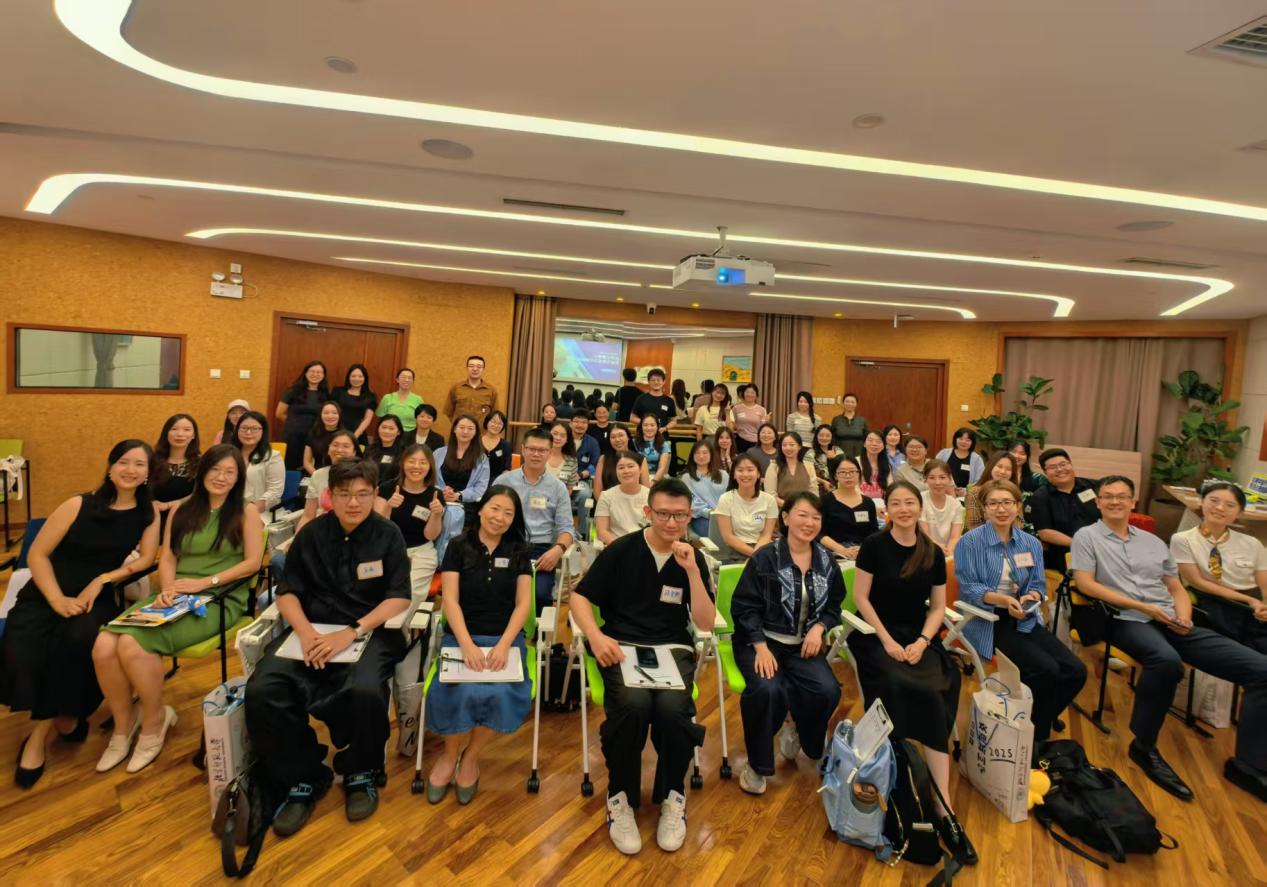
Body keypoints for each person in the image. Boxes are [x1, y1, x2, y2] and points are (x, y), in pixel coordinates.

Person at [1071, 476, 1267, 803]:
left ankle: (1248, 765)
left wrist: (1184, 616)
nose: (1115, 501)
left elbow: (1176, 587)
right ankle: (1144, 746)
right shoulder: (1087, 536)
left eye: (1122, 496)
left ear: (1133, 502)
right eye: (1108, 496)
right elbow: (1086, 584)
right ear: (1099, 502)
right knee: (1165, 661)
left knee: (1262, 670)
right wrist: (1143, 607)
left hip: (1170, 619)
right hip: (1124, 619)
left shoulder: (1153, 541)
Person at [245, 459, 412, 833]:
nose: (354, 502)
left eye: (363, 494)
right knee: (264, 688)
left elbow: (399, 597)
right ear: (329, 496)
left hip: (367, 631)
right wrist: (305, 633)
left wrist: (351, 631)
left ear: (375, 495)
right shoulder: (311, 535)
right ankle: (303, 774)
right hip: (312, 631)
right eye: (344, 494)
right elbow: (287, 592)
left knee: (366, 690)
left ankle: (361, 770)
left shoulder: (388, 536)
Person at [95, 445, 264, 772]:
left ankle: (154, 721)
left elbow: (253, 563)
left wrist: (205, 583)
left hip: (218, 598)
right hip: (176, 594)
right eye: (215, 469)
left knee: (130, 644)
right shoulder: (182, 509)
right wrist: (169, 588)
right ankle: (123, 726)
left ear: (238, 478)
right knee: (103, 645)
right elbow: (169, 557)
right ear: (202, 472)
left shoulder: (246, 512)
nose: (221, 477)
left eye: (230, 472)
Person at [2, 440, 161, 789]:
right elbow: (38, 555)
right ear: (110, 466)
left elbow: (147, 559)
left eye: (139, 464)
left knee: (75, 641)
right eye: (123, 462)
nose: (130, 470)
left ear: (149, 473)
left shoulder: (148, 513)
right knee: (23, 649)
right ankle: (65, 716)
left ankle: (37, 738)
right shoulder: (78, 504)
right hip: (47, 592)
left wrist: (102, 579)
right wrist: (57, 599)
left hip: (95, 598)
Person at [572, 478, 716, 855]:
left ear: (690, 516)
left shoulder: (692, 557)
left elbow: (705, 622)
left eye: (680, 516)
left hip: (673, 647)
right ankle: (620, 797)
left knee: (673, 710)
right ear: (648, 512)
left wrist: (692, 572)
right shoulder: (621, 550)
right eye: (664, 514)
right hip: (622, 647)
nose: (671, 523)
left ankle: (672, 795)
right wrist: (596, 637)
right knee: (632, 706)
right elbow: (579, 598)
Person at [848, 481, 976, 864]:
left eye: (910, 503)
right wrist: (887, 641)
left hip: (917, 635)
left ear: (919, 508)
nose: (903, 509)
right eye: (896, 503)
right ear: (887, 509)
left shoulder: (931, 551)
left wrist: (922, 641)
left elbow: (937, 607)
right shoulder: (874, 545)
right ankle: (896, 774)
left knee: (938, 687)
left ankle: (943, 805)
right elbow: (861, 598)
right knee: (895, 681)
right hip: (876, 634)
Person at [424, 485, 533, 804]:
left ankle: (471, 756)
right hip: (462, 637)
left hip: (504, 640)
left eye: (508, 513)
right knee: (460, 691)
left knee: (499, 693)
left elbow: (523, 605)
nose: (500, 517)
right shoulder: (458, 545)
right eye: (495, 508)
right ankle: (449, 755)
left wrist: (505, 645)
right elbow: (450, 600)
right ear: (482, 508)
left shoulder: (519, 550)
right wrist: (467, 645)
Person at [955, 479, 1086, 743]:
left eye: (1007, 502)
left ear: (1018, 506)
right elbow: (969, 588)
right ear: (984, 508)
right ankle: (1036, 737)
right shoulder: (970, 542)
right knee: (1047, 669)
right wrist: (1004, 601)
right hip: (988, 618)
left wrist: (1032, 596)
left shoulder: (1030, 543)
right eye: (993, 503)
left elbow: (1037, 584)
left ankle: (1034, 721)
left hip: (1023, 615)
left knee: (1076, 671)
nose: (1001, 509)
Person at [731, 493, 844, 794]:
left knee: (828, 690)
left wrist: (820, 627)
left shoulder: (826, 561)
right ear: (786, 517)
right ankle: (757, 765)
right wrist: (760, 646)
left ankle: (796, 728)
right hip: (760, 641)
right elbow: (743, 607)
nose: (809, 523)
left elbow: (835, 605)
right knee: (768, 690)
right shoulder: (765, 557)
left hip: (803, 645)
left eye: (816, 517)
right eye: (802, 515)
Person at [1171, 481, 1267, 654]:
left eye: (1230, 505)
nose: (1220, 508)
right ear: (1202, 502)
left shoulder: (1252, 543)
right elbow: (1197, 581)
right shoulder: (1183, 539)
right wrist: (1249, 601)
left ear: (1240, 512)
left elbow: (1264, 583)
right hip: (1215, 601)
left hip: (1253, 603)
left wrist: (1265, 605)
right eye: (1214, 501)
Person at [492, 429, 576, 611]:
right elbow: (487, 517)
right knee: (497, 588)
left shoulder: (558, 487)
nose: (536, 454)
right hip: (506, 544)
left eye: (542, 450)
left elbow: (567, 529)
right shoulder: (504, 481)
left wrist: (557, 550)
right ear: (523, 449)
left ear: (549, 452)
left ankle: (534, 629)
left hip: (541, 550)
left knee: (539, 594)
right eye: (532, 449)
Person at [374, 443, 445, 601]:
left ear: (430, 467)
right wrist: (388, 506)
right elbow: (376, 528)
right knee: (378, 591)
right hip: (387, 550)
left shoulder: (435, 495)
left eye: (423, 462)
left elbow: (430, 535)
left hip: (420, 552)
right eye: (412, 461)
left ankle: (399, 619)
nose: (416, 466)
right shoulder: (387, 488)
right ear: (403, 463)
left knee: (408, 593)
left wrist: (436, 514)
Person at [1026, 448, 1100, 568]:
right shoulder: (1041, 496)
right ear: (1045, 472)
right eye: (1052, 467)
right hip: (1066, 552)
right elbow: (1045, 532)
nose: (1059, 469)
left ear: (1071, 464)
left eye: (1063, 464)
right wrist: (1079, 544)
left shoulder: (1094, 486)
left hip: (1103, 545)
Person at [433, 415, 490, 564]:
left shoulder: (481, 458)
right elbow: (429, 480)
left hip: (467, 506)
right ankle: (436, 562)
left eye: (470, 428)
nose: (465, 431)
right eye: (462, 427)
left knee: (460, 544)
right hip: (439, 502)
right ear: (454, 429)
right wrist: (442, 492)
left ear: (476, 433)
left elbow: (481, 487)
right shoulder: (439, 453)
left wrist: (459, 495)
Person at [715, 454, 778, 558]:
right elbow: (728, 537)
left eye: (750, 470)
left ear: (758, 474)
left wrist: (758, 555)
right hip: (736, 552)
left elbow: (766, 535)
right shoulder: (725, 499)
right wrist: (754, 555)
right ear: (734, 475)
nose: (745, 474)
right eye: (740, 470)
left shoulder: (769, 500)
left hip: (762, 550)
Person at [298, 431, 361, 532]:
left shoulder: (362, 477)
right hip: (321, 530)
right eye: (335, 445)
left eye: (346, 446)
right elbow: (308, 516)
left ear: (354, 452)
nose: (339, 450)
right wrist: (298, 538)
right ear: (328, 449)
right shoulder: (318, 475)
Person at [818, 459, 879, 559]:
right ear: (835, 475)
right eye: (842, 472)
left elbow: (874, 533)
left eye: (852, 471)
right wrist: (841, 550)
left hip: (863, 552)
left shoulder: (868, 503)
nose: (848, 476)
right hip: (834, 553)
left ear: (859, 474)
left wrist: (864, 549)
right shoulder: (825, 501)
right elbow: (819, 533)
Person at [276, 360, 329, 472]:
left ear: (323, 375)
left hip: (314, 436)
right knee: (290, 467)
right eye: (312, 371)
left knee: (309, 467)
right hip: (293, 436)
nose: (315, 374)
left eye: (319, 372)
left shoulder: (326, 395)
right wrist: (293, 423)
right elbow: (279, 413)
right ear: (305, 373)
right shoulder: (293, 391)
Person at [234, 411, 285, 518]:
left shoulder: (273, 457)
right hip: (229, 510)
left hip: (259, 513)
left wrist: (247, 513)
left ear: (263, 431)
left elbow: (274, 492)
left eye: (254, 429)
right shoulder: (230, 454)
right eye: (244, 428)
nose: (248, 432)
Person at [595, 452, 651, 544]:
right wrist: (622, 547)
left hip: (645, 545)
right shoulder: (606, 496)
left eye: (630, 466)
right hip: (617, 545)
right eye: (621, 468)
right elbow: (602, 532)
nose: (626, 471)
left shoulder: (651, 496)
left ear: (640, 469)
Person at [152, 413, 201, 518]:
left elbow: (200, 493)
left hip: (186, 517)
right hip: (153, 515)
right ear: (166, 433)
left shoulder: (200, 463)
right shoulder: (152, 460)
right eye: (174, 429)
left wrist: (168, 505)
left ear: (194, 435)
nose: (180, 434)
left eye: (187, 430)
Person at [963, 451, 1023, 531]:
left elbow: (1020, 522)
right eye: (999, 466)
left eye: (1008, 469)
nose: (1003, 472)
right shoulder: (974, 493)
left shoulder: (1014, 493)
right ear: (991, 466)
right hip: (979, 537)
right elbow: (973, 526)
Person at [682, 440, 728, 538]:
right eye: (697, 453)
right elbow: (690, 501)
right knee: (717, 533)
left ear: (711, 455)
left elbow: (730, 496)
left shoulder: (723, 475)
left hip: (724, 515)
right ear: (692, 456)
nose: (701, 456)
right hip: (701, 517)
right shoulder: (687, 478)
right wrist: (709, 512)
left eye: (705, 453)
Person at [593, 425, 649, 501]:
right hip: (608, 502)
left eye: (621, 435)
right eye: (613, 437)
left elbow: (646, 490)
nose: (617, 440)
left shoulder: (640, 459)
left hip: (634, 503)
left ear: (628, 437)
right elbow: (597, 491)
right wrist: (606, 505)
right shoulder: (603, 459)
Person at [919, 460, 963, 556]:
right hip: (926, 550)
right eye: (932, 478)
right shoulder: (920, 500)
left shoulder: (956, 504)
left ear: (950, 479)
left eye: (942, 477)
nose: (938, 482)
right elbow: (925, 535)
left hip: (948, 550)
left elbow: (955, 537)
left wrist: (948, 552)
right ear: (925, 479)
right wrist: (940, 551)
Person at [569, 412, 602, 540]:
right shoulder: (563, 439)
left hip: (581, 480)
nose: (580, 425)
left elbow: (594, 465)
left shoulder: (592, 442)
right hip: (561, 479)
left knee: (585, 495)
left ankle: (582, 533)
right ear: (570, 423)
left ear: (588, 425)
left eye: (583, 422)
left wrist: (580, 475)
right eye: (577, 421)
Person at [763, 432, 819, 506]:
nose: (788, 448)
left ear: (799, 446)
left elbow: (813, 492)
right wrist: (789, 506)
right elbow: (770, 494)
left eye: (791, 445)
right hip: (781, 508)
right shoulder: (774, 466)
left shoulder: (808, 466)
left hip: (805, 508)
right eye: (784, 445)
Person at [444, 354, 498, 423]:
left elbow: (495, 415)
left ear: (483, 369)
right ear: (467, 368)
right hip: (460, 429)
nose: (475, 369)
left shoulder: (491, 390)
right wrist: (459, 425)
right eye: (471, 366)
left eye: (479, 366)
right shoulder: (456, 388)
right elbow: (449, 412)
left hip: (481, 430)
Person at [331, 363, 377, 441]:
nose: (356, 379)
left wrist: (354, 436)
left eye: (360, 376)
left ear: (365, 378)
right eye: (353, 376)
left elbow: (367, 419)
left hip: (357, 435)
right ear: (348, 377)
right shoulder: (337, 392)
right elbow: (330, 411)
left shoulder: (370, 397)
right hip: (336, 432)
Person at [376, 368, 424, 438]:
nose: (406, 380)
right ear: (397, 380)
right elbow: (381, 418)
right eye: (403, 377)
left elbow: (422, 420)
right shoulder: (387, 398)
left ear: (413, 381)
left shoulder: (418, 399)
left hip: (410, 436)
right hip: (390, 435)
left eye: (409, 378)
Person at [937, 427, 985, 495]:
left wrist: (965, 491)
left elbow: (980, 481)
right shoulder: (943, 454)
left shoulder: (977, 459)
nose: (963, 442)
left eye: (968, 440)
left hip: (966, 496)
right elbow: (934, 471)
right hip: (943, 492)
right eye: (961, 439)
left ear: (972, 443)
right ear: (955, 439)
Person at [303, 401, 344, 476]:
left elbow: (348, 463)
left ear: (339, 415)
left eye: (334, 413)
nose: (330, 416)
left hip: (338, 475)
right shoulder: (313, 433)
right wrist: (318, 476)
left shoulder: (345, 436)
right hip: (315, 473)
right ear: (320, 415)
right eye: (326, 413)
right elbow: (306, 462)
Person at [364, 414, 405, 488]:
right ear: (378, 429)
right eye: (384, 427)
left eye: (391, 428)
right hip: (369, 488)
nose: (386, 431)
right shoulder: (369, 449)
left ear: (398, 432)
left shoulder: (404, 452)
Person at [730, 383, 768, 452]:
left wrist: (765, 421)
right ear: (744, 394)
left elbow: (763, 428)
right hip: (740, 441)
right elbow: (732, 424)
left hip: (756, 442)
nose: (749, 394)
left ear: (756, 395)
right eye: (747, 392)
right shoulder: (736, 408)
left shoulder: (762, 410)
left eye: (752, 393)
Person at [830, 393, 867, 460]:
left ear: (856, 404)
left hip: (858, 455)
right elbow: (832, 438)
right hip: (840, 455)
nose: (850, 404)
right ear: (843, 403)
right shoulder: (836, 420)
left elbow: (866, 439)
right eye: (847, 401)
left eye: (852, 402)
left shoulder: (862, 420)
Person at [636, 415, 672, 483]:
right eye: (645, 425)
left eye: (652, 425)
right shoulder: (633, 443)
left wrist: (653, 482)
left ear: (657, 427)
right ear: (641, 427)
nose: (649, 428)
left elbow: (662, 468)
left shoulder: (664, 444)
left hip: (655, 478)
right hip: (637, 478)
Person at [856, 430, 891, 499]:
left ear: (883, 446)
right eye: (870, 440)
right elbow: (854, 487)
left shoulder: (886, 464)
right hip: (861, 501)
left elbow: (890, 485)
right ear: (864, 444)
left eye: (878, 441)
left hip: (882, 501)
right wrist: (867, 502)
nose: (874, 444)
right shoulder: (856, 462)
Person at [481, 411, 512, 479]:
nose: (496, 426)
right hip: (475, 481)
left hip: (497, 481)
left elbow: (507, 469)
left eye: (500, 424)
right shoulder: (476, 442)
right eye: (493, 422)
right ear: (486, 422)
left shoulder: (505, 445)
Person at [810, 424, 841, 491]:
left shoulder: (837, 450)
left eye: (828, 436)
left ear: (832, 437)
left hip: (837, 485)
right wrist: (823, 482)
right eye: (821, 435)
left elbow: (844, 466)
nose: (824, 438)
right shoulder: (811, 452)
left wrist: (835, 457)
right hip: (817, 486)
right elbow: (809, 474)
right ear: (816, 436)